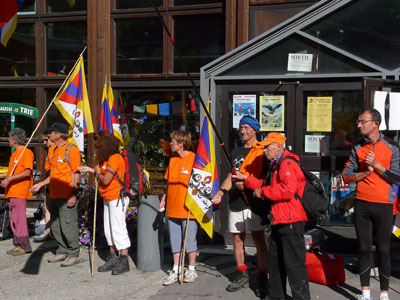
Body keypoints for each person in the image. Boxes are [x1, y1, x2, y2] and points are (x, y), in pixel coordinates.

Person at [233, 132, 310, 300]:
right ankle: (277, 296)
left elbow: (287, 191)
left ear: (279, 147)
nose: (264, 151)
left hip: (290, 220)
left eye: (267, 147)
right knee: (275, 263)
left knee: (294, 265)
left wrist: (263, 192)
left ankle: (300, 297)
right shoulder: (276, 164)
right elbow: (264, 184)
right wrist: (246, 179)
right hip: (279, 220)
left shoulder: (287, 164)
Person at [343, 108, 400, 300]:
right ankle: (365, 292)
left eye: (362, 121)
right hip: (362, 203)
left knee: (384, 249)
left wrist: (377, 166)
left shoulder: (392, 147)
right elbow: (346, 176)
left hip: (384, 203)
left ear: (375, 123)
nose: (359, 125)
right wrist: (364, 173)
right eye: (358, 121)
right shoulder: (357, 147)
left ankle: (384, 293)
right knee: (363, 248)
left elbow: (398, 177)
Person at [211, 115, 268, 296]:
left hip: (255, 203)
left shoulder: (263, 151)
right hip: (236, 201)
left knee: (259, 240)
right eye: (241, 127)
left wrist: (250, 184)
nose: (242, 131)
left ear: (254, 129)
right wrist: (221, 192)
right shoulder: (235, 152)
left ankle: (262, 276)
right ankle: (241, 272)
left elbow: (266, 179)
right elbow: (231, 175)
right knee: (237, 239)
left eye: (246, 127)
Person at [79, 130, 131, 275]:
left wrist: (96, 172)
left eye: (97, 145)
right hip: (108, 197)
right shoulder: (106, 159)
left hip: (116, 197)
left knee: (118, 228)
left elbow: (106, 179)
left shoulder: (115, 158)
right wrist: (92, 169)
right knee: (109, 229)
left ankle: (124, 259)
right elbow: (101, 173)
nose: (96, 149)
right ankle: (113, 256)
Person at [31, 122, 81, 267]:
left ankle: (73, 253)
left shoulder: (71, 150)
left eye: (51, 132)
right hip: (54, 194)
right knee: (55, 224)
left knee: (68, 224)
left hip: (66, 195)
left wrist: (74, 194)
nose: (49, 135)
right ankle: (62, 250)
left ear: (58, 135)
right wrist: (41, 184)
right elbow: (53, 175)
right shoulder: (54, 150)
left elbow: (76, 174)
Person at [158, 130, 198, 285]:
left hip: (188, 208)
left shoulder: (194, 159)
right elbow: (169, 183)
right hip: (173, 206)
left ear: (181, 143)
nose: (171, 143)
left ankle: (192, 269)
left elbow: (200, 183)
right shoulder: (173, 160)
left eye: (173, 141)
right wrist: (163, 200)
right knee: (175, 240)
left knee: (189, 240)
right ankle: (176, 269)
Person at [0, 128, 33, 256]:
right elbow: (12, 172)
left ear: (14, 140)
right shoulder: (14, 154)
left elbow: (27, 172)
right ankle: (18, 243)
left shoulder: (27, 153)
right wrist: (4, 175)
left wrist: (8, 179)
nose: (8, 140)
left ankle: (25, 246)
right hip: (11, 191)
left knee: (19, 219)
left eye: (9, 138)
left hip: (19, 191)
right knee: (13, 219)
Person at [33, 132, 55, 242]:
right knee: (47, 205)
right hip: (48, 177)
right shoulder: (50, 149)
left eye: (47, 139)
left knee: (51, 206)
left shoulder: (55, 149)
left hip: (53, 179)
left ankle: (50, 231)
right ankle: (47, 229)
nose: (44, 142)